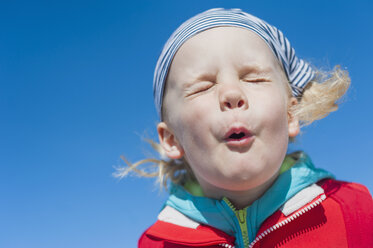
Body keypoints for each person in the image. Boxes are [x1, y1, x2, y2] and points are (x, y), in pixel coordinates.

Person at [116, 8, 373, 248]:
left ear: (290, 114)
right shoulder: (156, 243)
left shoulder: (356, 210)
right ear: (172, 139)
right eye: (203, 86)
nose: (231, 93)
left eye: (254, 78)